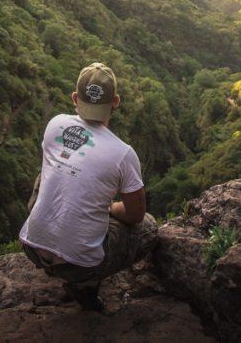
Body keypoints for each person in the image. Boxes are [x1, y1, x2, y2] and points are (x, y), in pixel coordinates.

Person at [19, 62, 158, 311]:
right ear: (115, 101)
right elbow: (136, 215)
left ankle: (53, 251)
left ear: (75, 97)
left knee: (45, 176)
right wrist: (107, 208)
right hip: (79, 265)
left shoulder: (55, 124)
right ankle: (85, 284)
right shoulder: (124, 154)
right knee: (148, 228)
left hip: (32, 247)